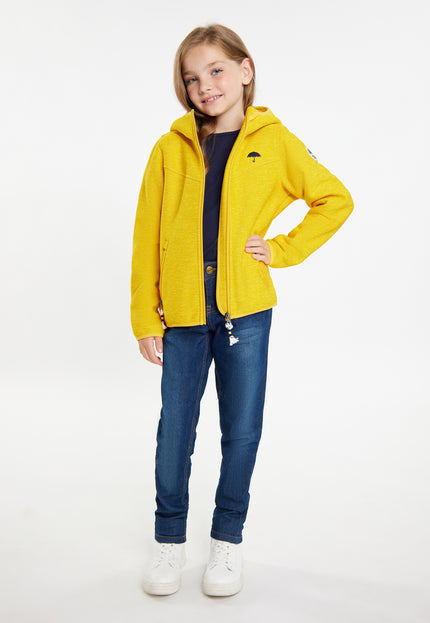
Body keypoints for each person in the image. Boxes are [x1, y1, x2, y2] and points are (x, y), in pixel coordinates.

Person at [130, 23, 353, 597]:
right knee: (174, 432)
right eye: (192, 78)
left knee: (242, 432)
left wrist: (281, 250)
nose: (205, 85)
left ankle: (227, 542)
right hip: (182, 312)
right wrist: (144, 315)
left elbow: (335, 199)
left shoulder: (273, 142)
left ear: (245, 70)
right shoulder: (169, 149)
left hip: (246, 313)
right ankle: (169, 541)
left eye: (216, 70)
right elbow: (146, 233)